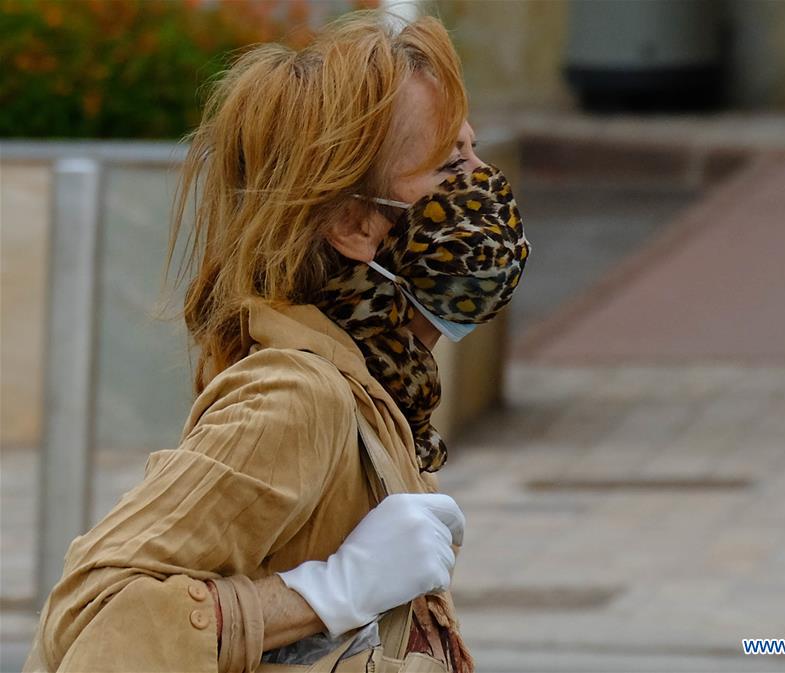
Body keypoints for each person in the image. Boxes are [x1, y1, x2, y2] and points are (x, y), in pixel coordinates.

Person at [24, 9, 529, 673]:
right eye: (451, 163)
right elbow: (93, 611)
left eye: (474, 150)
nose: (483, 186)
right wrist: (326, 592)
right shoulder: (297, 398)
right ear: (353, 224)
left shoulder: (377, 395)